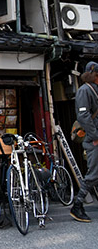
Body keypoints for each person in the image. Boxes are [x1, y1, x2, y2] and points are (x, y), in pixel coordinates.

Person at [70, 61, 98, 223]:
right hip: (93, 139)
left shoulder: (93, 89)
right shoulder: (84, 91)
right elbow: (84, 116)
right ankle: (77, 205)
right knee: (93, 174)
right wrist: (95, 136)